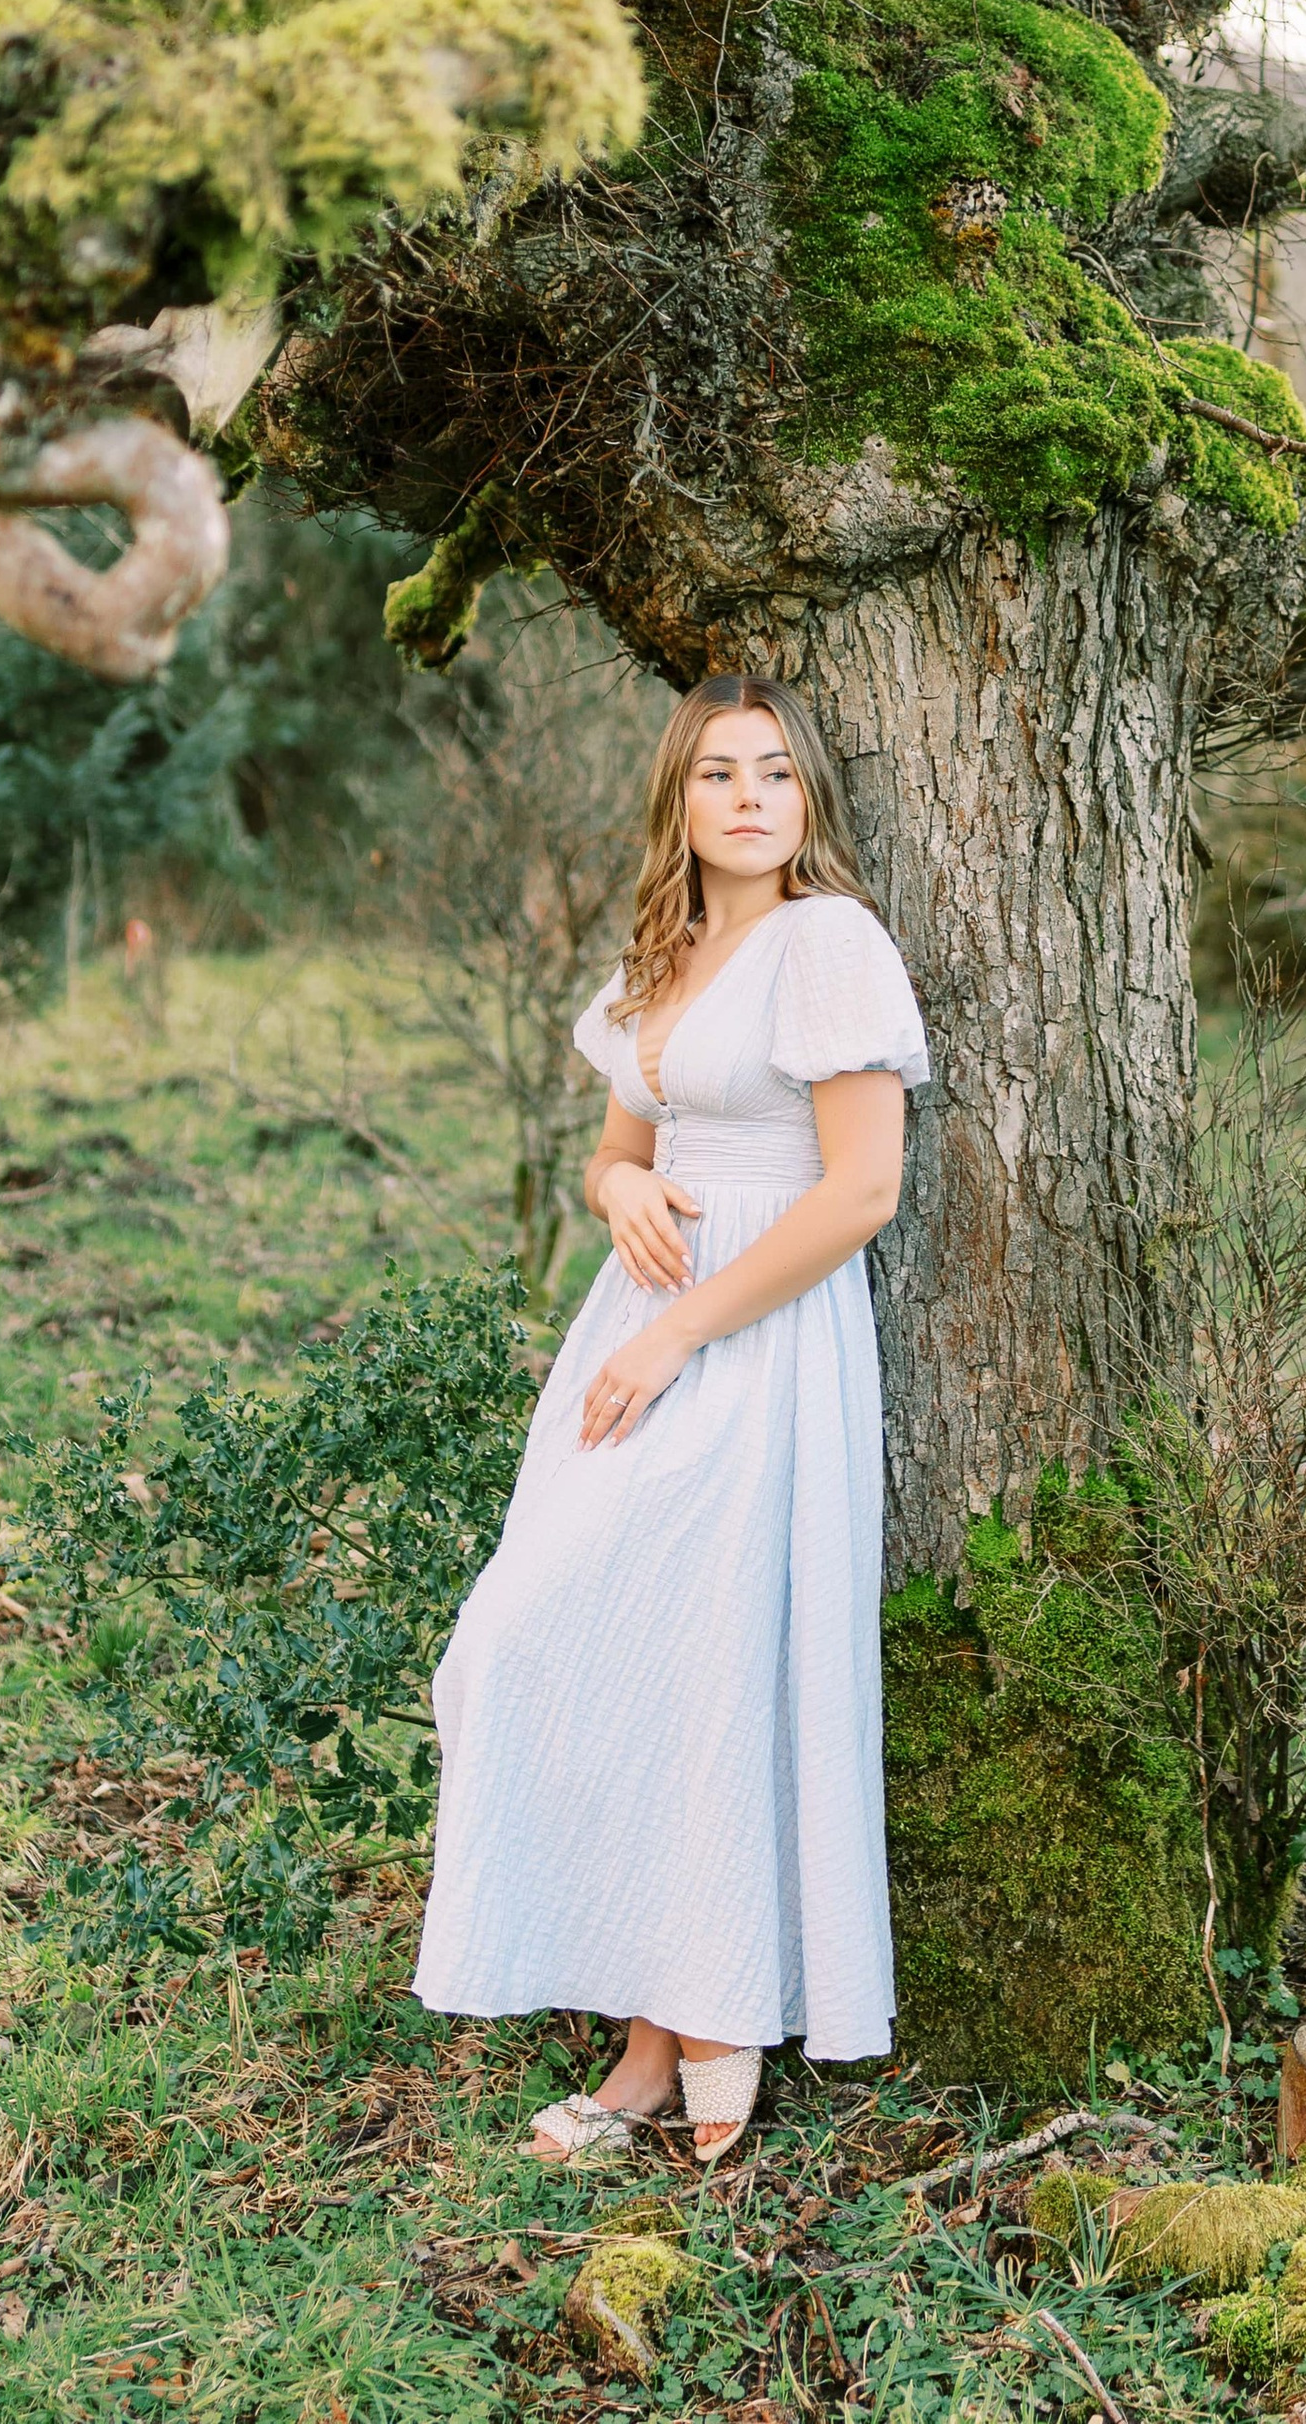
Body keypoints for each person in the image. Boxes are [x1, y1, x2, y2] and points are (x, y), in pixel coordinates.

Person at [411, 669, 929, 2166]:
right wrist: (625, 1185)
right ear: (679, 801)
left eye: (775, 771)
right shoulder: (664, 948)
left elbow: (862, 1191)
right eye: (718, 773)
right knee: (532, 1643)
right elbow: (615, 1152)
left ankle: (697, 2027)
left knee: (708, 1675)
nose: (750, 797)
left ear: (808, 796)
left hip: (756, 1337)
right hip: (635, 1328)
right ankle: (657, 2028)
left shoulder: (828, 943)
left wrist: (685, 1333)